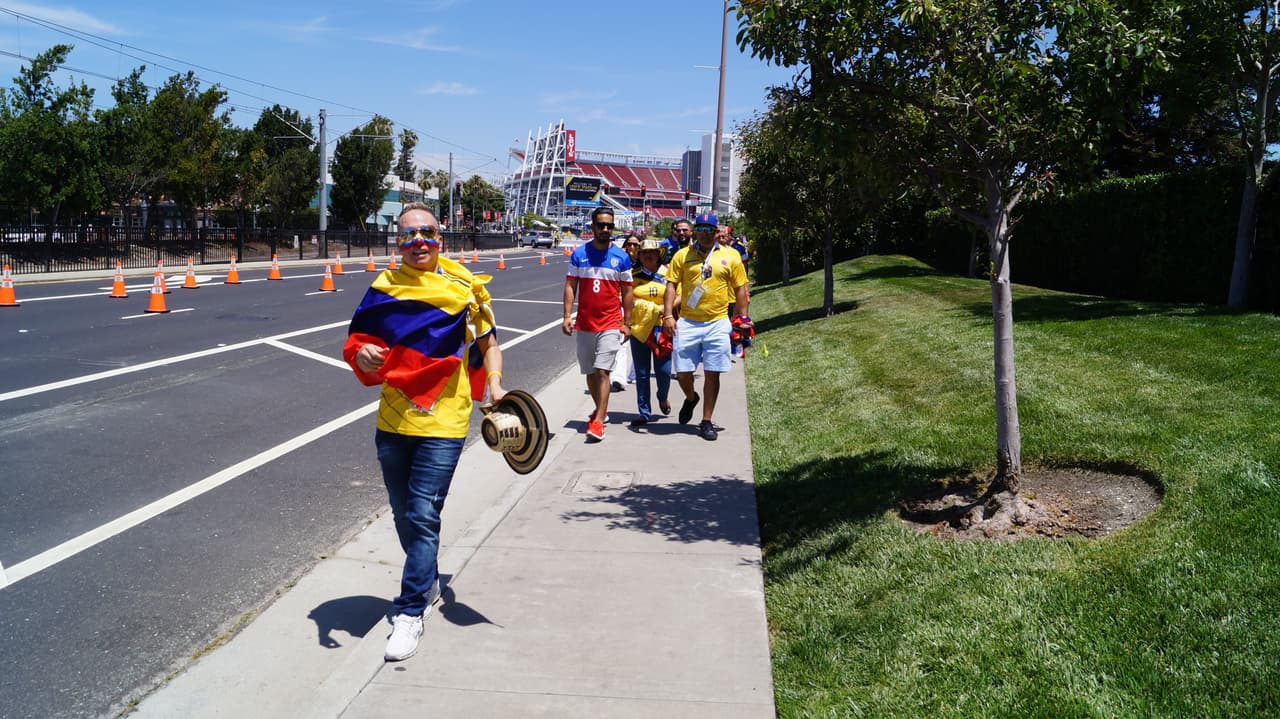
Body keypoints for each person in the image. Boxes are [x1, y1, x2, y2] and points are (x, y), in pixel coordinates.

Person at [344, 202, 507, 662]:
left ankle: (411, 609)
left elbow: (488, 344)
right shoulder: (383, 289)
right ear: (396, 242)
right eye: (409, 235)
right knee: (403, 514)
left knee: (421, 513)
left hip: (445, 420)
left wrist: (494, 382)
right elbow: (357, 341)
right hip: (393, 419)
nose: (419, 242)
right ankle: (428, 577)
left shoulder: (465, 287)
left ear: (442, 237)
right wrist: (364, 355)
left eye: (428, 233)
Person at [662, 212, 748, 441]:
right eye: (700, 229)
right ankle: (691, 398)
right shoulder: (682, 255)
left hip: (718, 321)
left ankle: (706, 420)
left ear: (716, 231)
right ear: (694, 231)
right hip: (688, 321)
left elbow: (741, 288)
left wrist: (743, 319)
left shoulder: (730, 256)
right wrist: (668, 315)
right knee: (682, 372)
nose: (704, 233)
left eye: (709, 229)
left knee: (712, 372)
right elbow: (671, 286)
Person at [563, 206, 633, 442]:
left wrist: (628, 323)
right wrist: (566, 316)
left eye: (609, 226)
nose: (606, 229)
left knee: (603, 371)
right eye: (601, 225)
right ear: (592, 227)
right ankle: (600, 409)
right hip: (585, 324)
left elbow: (627, 293)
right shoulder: (579, 254)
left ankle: (599, 421)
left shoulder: (621, 258)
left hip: (610, 323)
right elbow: (571, 286)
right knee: (591, 372)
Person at [628, 238, 673, 425]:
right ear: (639, 255)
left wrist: (666, 309)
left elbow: (679, 296)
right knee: (642, 372)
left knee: (664, 371)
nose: (648, 255)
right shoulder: (632, 275)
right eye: (644, 252)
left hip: (662, 328)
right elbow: (623, 298)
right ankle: (644, 412)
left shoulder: (668, 274)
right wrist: (639, 305)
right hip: (639, 329)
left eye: (652, 253)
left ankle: (662, 397)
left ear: (658, 255)